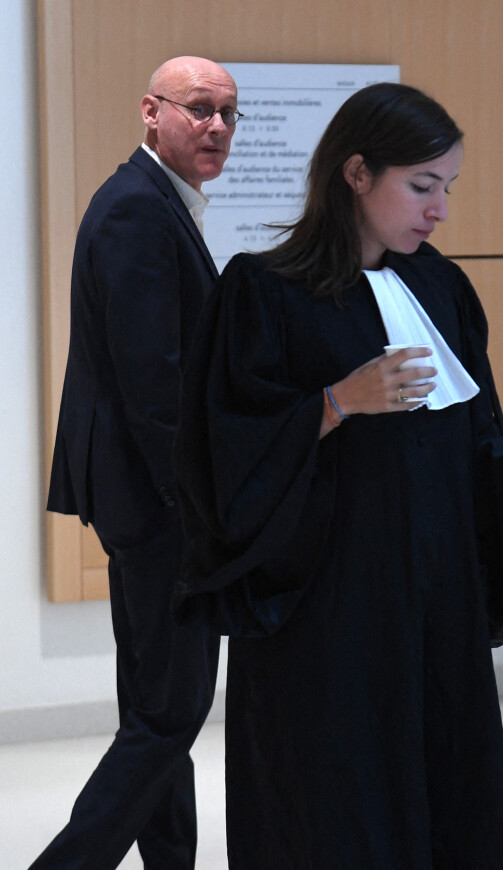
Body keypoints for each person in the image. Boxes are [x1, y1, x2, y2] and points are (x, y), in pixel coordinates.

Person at [173, 82, 503, 869]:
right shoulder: (262, 292)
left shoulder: (442, 287)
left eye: (447, 188)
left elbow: (467, 443)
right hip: (330, 612)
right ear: (356, 173)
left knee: (445, 785)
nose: (440, 210)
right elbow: (223, 458)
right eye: (422, 186)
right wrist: (333, 403)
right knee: (335, 799)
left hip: (435, 601)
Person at [32, 56, 240, 870]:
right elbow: (155, 386)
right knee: (170, 714)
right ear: (151, 112)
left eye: (229, 112)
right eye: (199, 108)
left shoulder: (156, 205)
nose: (218, 126)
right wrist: (197, 510)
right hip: (159, 506)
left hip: (145, 498)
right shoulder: (136, 213)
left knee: (155, 707)